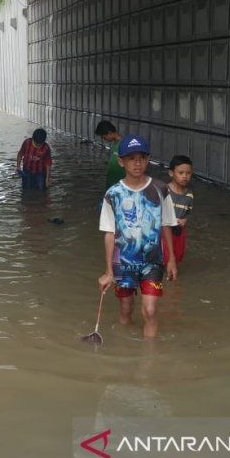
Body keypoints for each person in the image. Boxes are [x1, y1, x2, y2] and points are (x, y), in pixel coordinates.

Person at [97, 135, 178, 339]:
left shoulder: (161, 189)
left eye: (141, 157)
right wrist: (108, 271)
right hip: (122, 263)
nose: (137, 162)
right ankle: (126, 351)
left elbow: (167, 224)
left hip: (153, 262)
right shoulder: (112, 194)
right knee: (125, 310)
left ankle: (149, 360)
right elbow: (109, 233)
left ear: (148, 159)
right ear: (121, 161)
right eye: (131, 158)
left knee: (150, 310)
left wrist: (172, 260)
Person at [163, 155, 194, 267]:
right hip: (164, 232)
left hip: (179, 232)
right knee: (164, 258)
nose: (185, 176)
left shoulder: (189, 195)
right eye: (181, 173)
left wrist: (185, 220)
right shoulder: (164, 191)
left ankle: (171, 280)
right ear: (171, 173)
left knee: (177, 256)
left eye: (188, 173)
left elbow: (188, 213)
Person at [95, 120, 124, 191]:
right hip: (113, 183)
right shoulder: (115, 143)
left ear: (110, 133)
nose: (104, 140)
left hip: (119, 184)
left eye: (104, 137)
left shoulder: (123, 144)